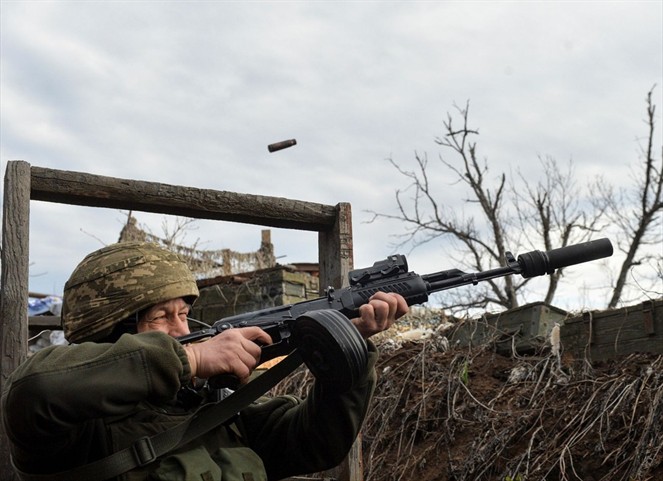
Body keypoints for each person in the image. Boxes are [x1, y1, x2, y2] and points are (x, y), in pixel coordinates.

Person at [2, 241, 408, 481]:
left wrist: (348, 351)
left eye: (184, 314)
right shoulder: (74, 428)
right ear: (109, 331)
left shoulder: (212, 407)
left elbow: (315, 444)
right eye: (162, 317)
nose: (181, 331)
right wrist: (191, 358)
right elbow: (35, 391)